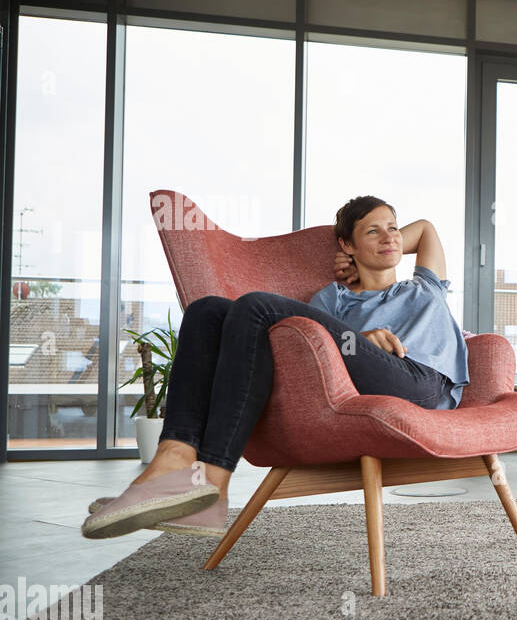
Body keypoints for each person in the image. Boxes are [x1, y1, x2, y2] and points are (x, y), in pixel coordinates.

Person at [81, 195, 469, 540]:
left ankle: (213, 480)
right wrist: (359, 340)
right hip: (366, 377)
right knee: (207, 310)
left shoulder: (425, 285)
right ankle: (176, 460)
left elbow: (426, 230)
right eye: (373, 232)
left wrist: (378, 243)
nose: (390, 238)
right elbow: (306, 355)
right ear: (346, 243)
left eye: (393, 229)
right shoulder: (334, 301)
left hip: (422, 384)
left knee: (257, 305)